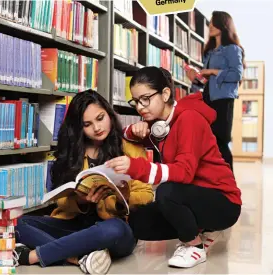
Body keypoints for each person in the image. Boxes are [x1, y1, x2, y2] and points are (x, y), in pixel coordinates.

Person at [105, 67, 242, 269]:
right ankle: (204, 228)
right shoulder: (159, 124)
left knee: (166, 191)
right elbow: (124, 135)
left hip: (223, 201)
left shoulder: (189, 119)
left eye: (146, 99)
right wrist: (133, 131)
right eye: (135, 101)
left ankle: (194, 245)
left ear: (166, 94)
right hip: (193, 198)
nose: (141, 107)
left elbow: (184, 173)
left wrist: (136, 167)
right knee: (139, 222)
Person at [14, 90, 154, 274]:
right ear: (78, 127)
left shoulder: (129, 148)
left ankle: (33, 256)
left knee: (114, 229)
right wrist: (81, 201)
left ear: (109, 114)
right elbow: (60, 199)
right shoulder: (72, 153)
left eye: (100, 118)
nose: (97, 127)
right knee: (17, 222)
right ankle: (79, 256)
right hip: (75, 226)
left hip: (114, 228)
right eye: (87, 124)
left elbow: (147, 195)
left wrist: (124, 198)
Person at [186, 11, 245, 172]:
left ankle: (229, 185)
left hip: (223, 100)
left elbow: (236, 74)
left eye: (214, 22)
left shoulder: (233, 49)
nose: (210, 26)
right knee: (207, 142)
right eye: (210, 23)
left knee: (221, 141)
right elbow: (205, 81)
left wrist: (212, 71)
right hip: (208, 99)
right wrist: (195, 77)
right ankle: (213, 182)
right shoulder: (210, 51)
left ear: (224, 25)